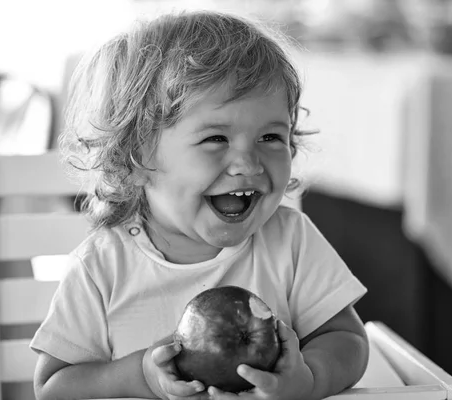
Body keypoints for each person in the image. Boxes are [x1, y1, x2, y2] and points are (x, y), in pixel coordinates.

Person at [31, 9, 369, 400]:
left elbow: (347, 340)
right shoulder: (102, 267)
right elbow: (53, 387)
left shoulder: (289, 240)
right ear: (135, 160)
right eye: (216, 139)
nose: (248, 164)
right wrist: (142, 376)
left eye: (271, 137)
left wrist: (307, 379)